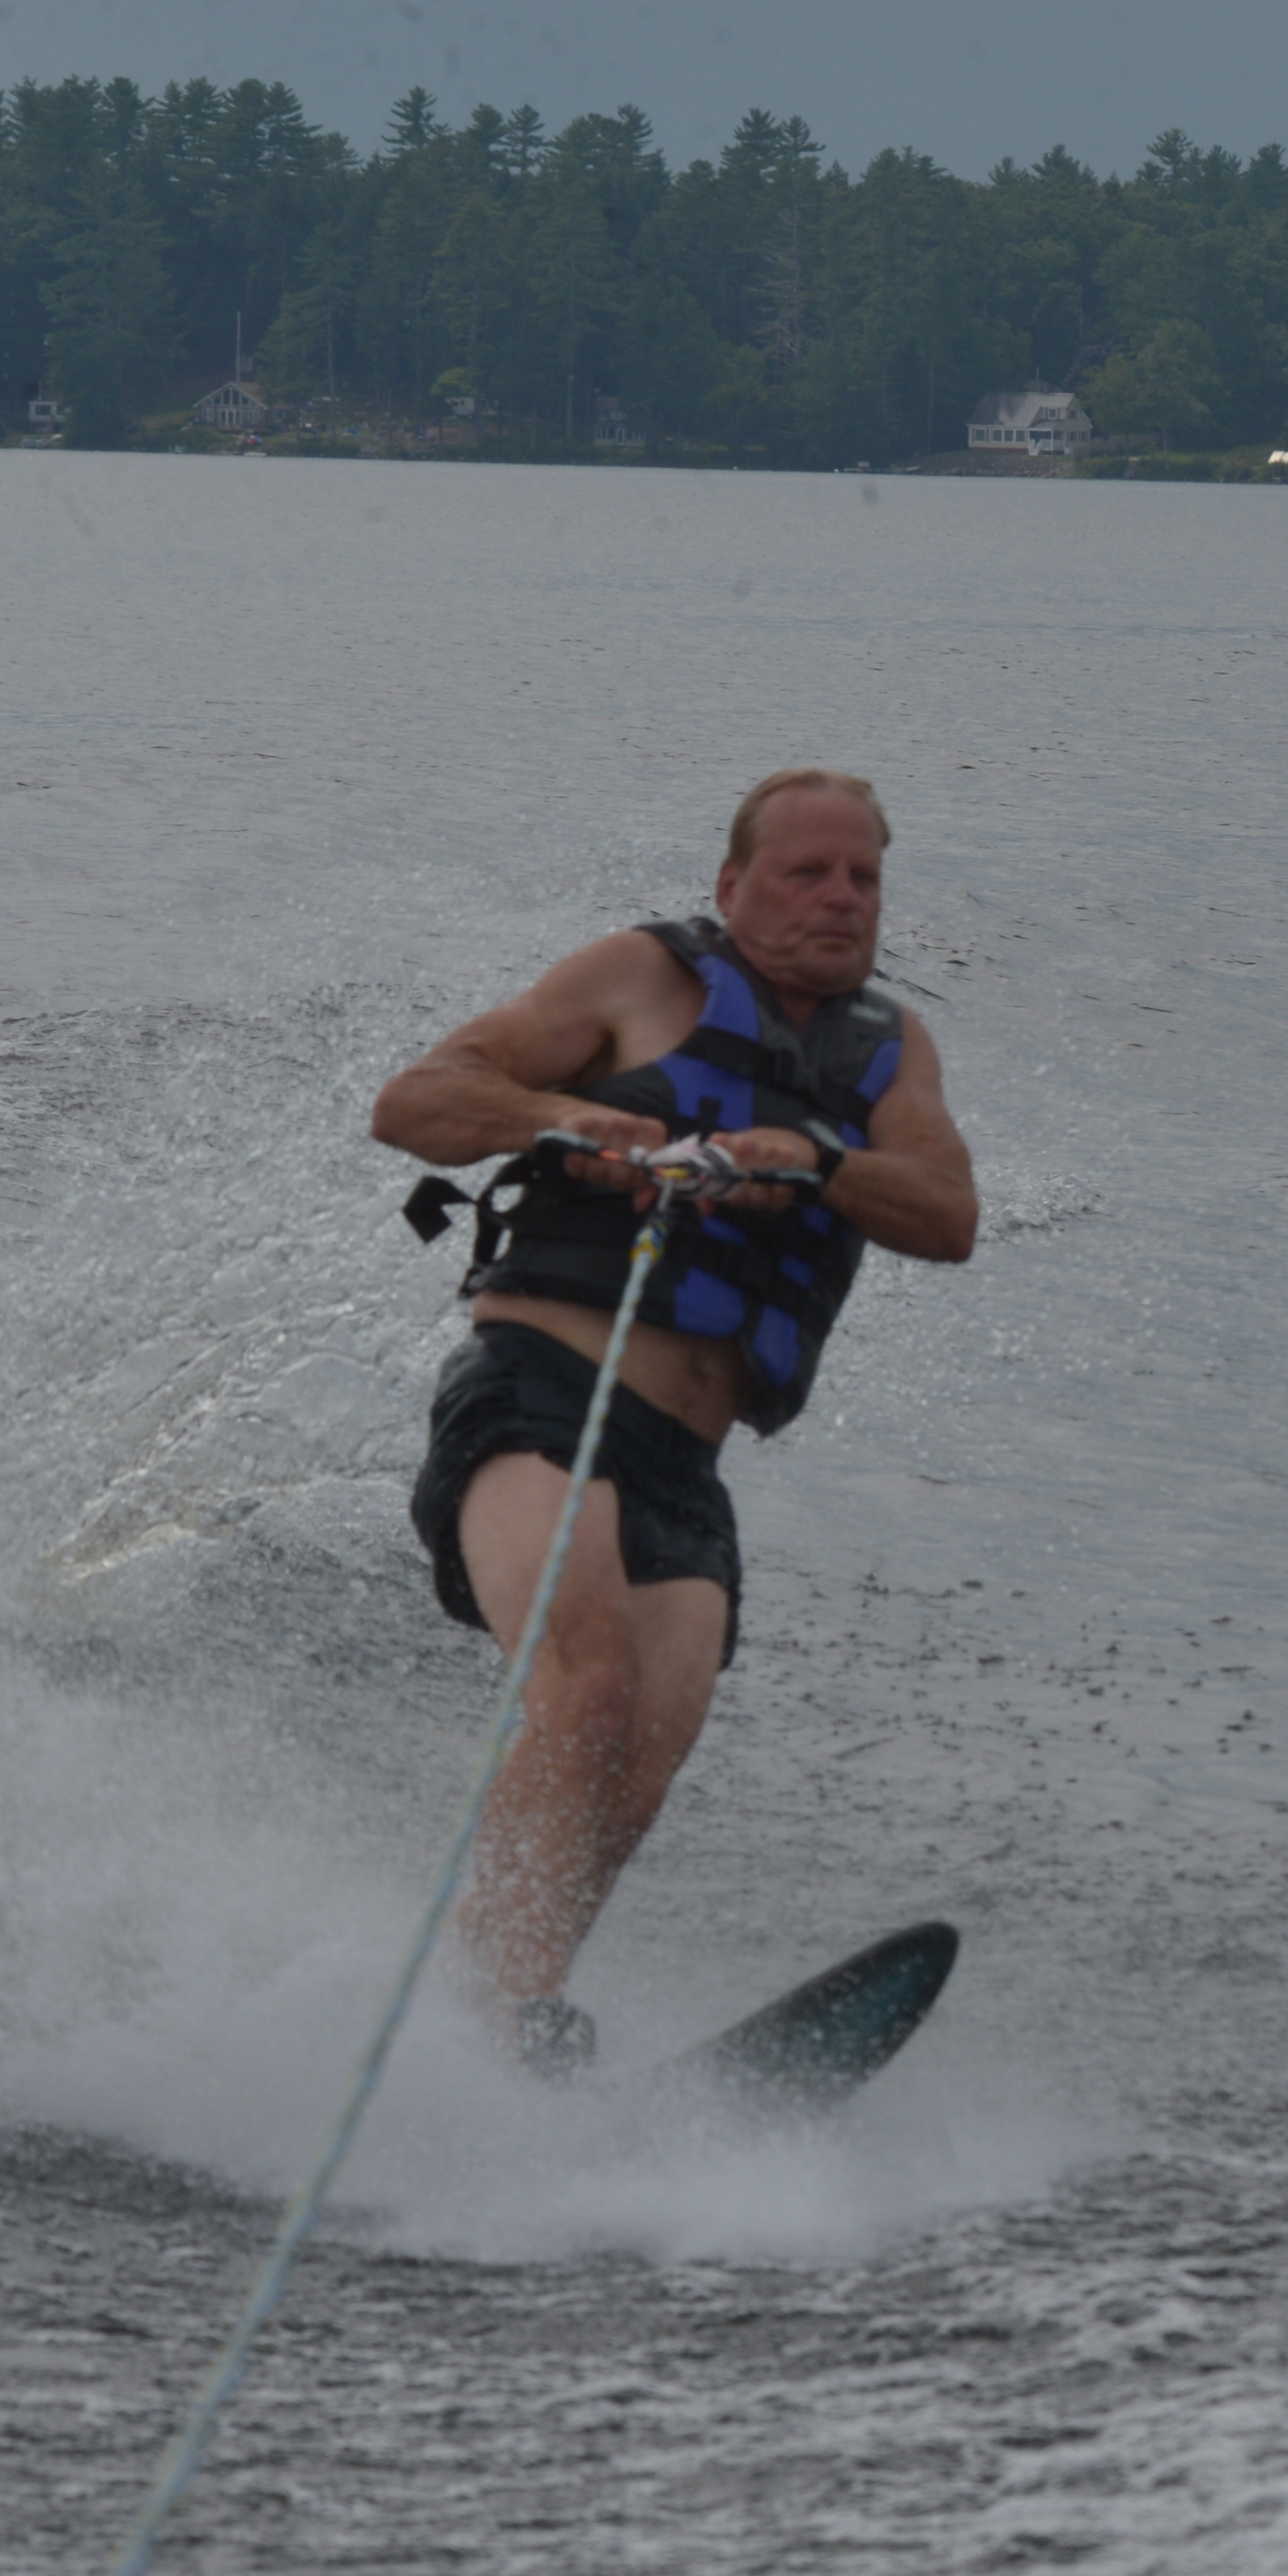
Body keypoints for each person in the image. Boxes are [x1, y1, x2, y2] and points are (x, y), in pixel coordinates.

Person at [369, 770, 980, 2075]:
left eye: (864, 878)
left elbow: (947, 1215)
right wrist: (559, 1117)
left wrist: (816, 1163)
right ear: (732, 885)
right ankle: (484, 2030)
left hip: (683, 1471)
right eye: (807, 873)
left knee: (639, 1761)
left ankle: (501, 2021)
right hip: (541, 1397)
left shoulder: (891, 1052)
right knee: (587, 1689)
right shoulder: (641, 978)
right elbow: (414, 1102)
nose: (841, 898)